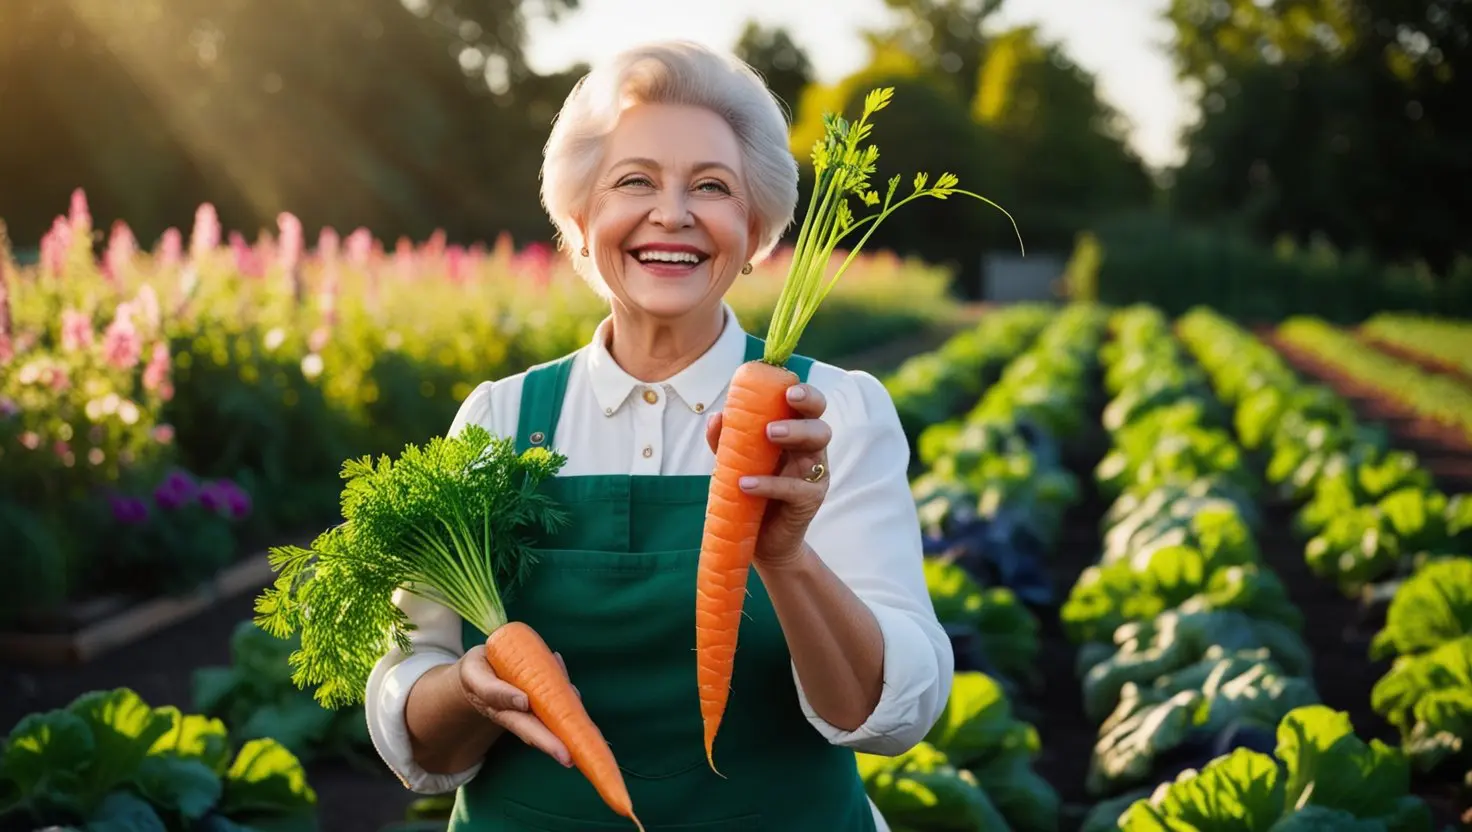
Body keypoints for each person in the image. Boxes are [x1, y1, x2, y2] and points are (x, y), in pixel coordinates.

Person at [364, 39, 953, 831]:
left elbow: (896, 715)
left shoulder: (833, 412)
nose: (671, 213)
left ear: (752, 230)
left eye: (711, 187)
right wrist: (472, 684)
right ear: (580, 219)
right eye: (633, 181)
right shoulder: (498, 421)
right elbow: (419, 729)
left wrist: (786, 557)